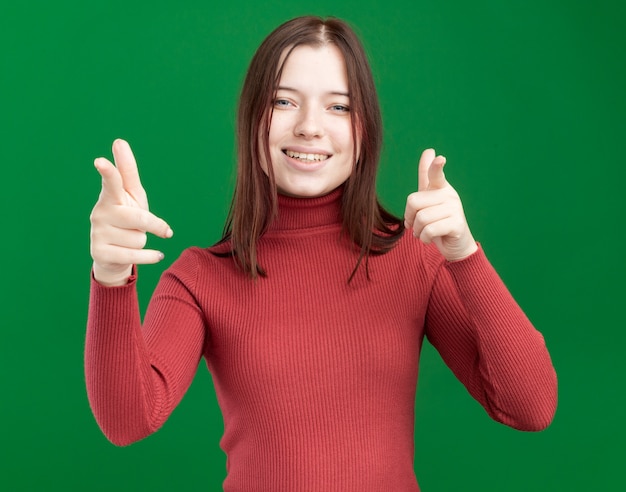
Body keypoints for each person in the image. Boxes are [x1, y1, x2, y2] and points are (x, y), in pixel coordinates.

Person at [85, 15, 557, 492]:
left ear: (365, 131)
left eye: (338, 107)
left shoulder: (415, 258)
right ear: (253, 120)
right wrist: (109, 274)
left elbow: (530, 406)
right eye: (284, 101)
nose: (309, 127)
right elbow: (128, 422)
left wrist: (464, 254)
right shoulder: (201, 277)